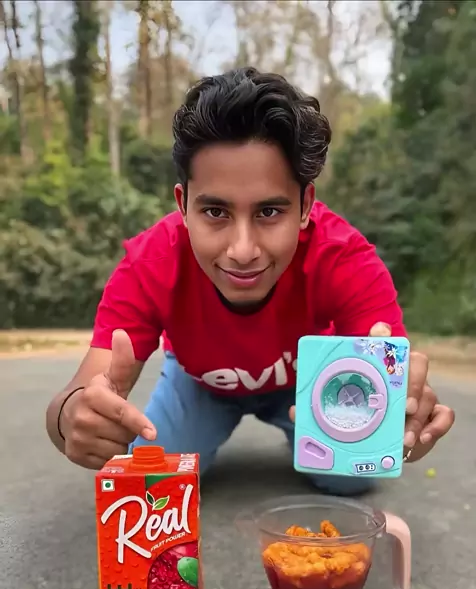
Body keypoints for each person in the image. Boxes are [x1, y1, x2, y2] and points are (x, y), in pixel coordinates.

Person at [45, 67, 454, 495]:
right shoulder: (149, 264)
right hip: (200, 386)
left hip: (311, 386)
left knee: (353, 475)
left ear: (305, 206)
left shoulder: (346, 260)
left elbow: (394, 385)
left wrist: (405, 417)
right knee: (153, 484)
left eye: (269, 212)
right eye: (215, 212)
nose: (242, 250)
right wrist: (72, 417)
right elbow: (75, 397)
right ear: (183, 205)